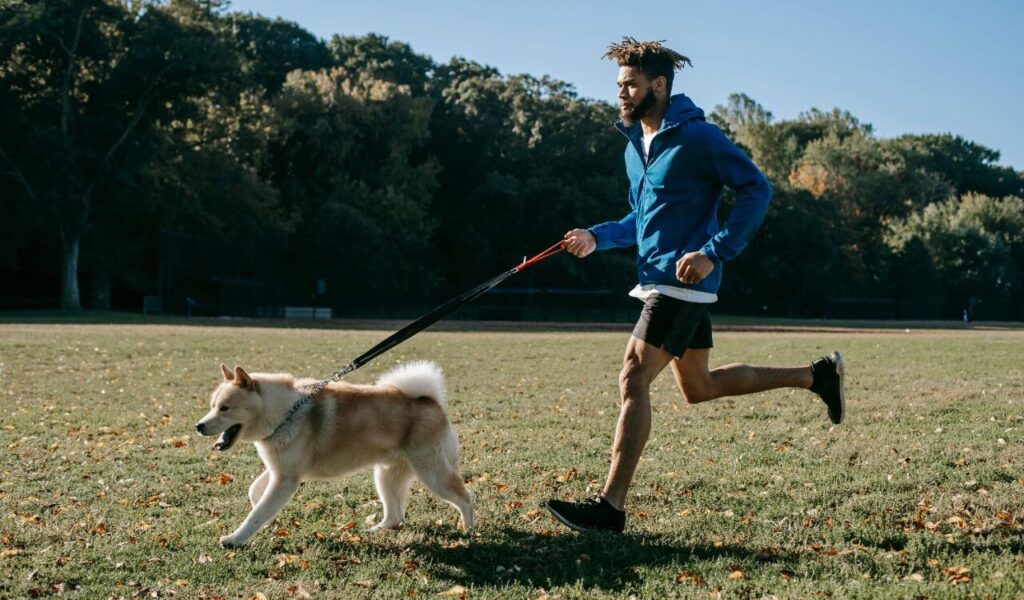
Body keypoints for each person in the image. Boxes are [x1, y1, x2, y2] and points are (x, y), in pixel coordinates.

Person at [545, 37, 845, 533]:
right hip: (660, 278)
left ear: (658, 85)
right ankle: (816, 376)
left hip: (679, 282)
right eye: (619, 86)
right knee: (698, 387)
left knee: (633, 378)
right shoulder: (636, 146)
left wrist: (714, 251)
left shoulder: (698, 138)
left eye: (631, 85)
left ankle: (610, 507)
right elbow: (641, 220)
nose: (621, 95)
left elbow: (757, 187)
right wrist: (596, 237)